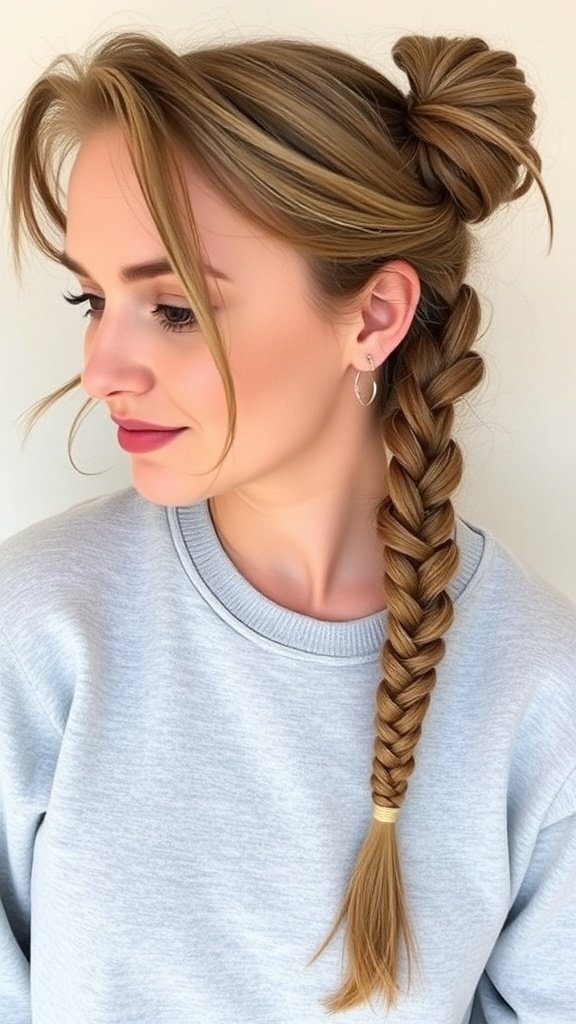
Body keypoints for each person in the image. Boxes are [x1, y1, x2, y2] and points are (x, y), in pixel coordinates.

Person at [1, 27, 575, 1024]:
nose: (101, 369)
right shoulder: (38, 629)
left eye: (175, 307)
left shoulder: (540, 695)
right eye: (92, 297)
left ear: (374, 317)